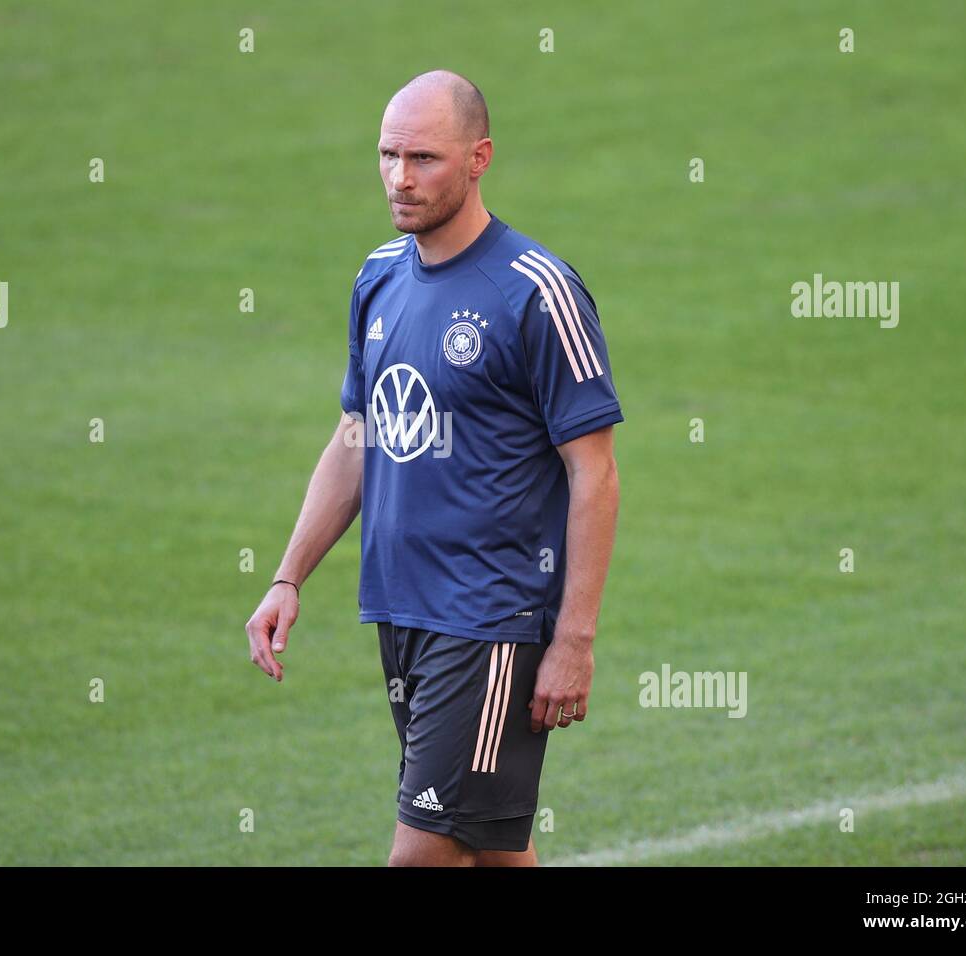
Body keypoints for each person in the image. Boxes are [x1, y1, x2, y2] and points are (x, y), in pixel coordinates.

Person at [245, 69, 623, 866]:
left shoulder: (536, 293)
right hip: (401, 611)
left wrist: (574, 640)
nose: (400, 178)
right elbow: (358, 435)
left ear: (479, 157)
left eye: (424, 158)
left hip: (490, 616)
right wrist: (288, 576)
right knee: (486, 848)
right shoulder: (379, 275)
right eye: (387, 155)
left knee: (421, 853)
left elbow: (595, 472)